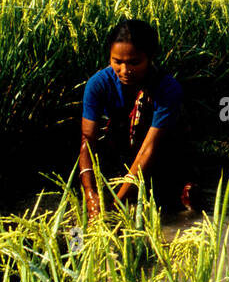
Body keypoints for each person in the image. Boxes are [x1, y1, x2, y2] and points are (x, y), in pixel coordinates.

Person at [79, 18, 190, 218]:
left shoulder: (166, 89)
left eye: (134, 62)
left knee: (187, 200)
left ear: (150, 57)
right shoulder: (98, 85)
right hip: (121, 156)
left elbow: (149, 149)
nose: (125, 70)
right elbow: (88, 140)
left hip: (160, 158)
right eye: (117, 62)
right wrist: (90, 194)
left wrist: (114, 207)